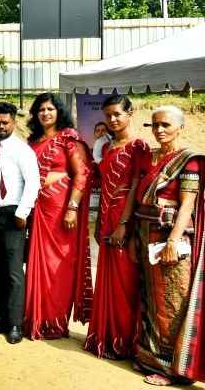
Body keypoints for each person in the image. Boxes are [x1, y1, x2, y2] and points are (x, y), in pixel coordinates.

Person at [131, 106, 205, 385]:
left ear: (180, 128)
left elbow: (187, 205)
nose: (159, 130)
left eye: (166, 125)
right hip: (146, 233)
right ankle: (152, 358)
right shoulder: (150, 159)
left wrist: (173, 240)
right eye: (155, 125)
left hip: (172, 239)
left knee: (173, 302)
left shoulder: (188, 161)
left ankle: (175, 370)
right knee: (152, 301)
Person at [82, 94, 148, 357]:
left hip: (126, 219)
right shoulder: (108, 147)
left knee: (126, 280)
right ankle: (108, 336)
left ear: (130, 114)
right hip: (108, 216)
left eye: (118, 114)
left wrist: (124, 224)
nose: (112, 119)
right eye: (108, 115)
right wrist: (100, 220)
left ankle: (126, 341)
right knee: (108, 278)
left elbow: (136, 186)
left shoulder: (138, 146)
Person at [24, 93, 93, 340]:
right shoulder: (32, 141)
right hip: (37, 210)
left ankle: (55, 321)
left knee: (58, 266)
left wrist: (72, 207)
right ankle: (36, 318)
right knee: (37, 264)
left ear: (59, 111)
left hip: (61, 210)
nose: (45, 113)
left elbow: (82, 174)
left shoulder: (69, 138)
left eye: (50, 108)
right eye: (40, 109)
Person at [0, 102, 40, 344]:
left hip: (13, 214)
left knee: (13, 272)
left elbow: (33, 183)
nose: (0, 126)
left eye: (5, 122)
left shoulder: (22, 150)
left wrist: (23, 212)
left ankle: (15, 324)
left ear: (13, 122)